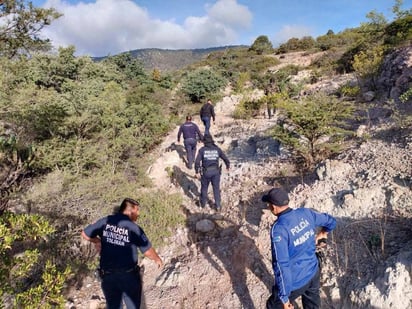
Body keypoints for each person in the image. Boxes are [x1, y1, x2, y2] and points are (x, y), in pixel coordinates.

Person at [81, 198, 163, 309]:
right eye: (137, 210)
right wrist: (157, 259)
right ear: (130, 211)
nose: (138, 214)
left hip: (108, 277)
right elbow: (147, 251)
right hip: (128, 277)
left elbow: (85, 234)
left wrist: (97, 241)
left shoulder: (105, 221)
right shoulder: (134, 228)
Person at [262, 187, 336, 309]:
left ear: (273, 207)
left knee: (273, 306)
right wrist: (323, 233)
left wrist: (285, 300)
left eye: (268, 204)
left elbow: (281, 265)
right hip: (313, 271)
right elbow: (331, 221)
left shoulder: (279, 229)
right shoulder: (305, 213)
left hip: (295, 281)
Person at [194, 134, 230, 211]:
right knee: (216, 189)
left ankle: (202, 204)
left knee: (204, 188)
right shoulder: (217, 149)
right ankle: (218, 206)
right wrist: (228, 165)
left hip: (206, 172)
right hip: (216, 172)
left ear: (204, 141)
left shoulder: (202, 150)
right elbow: (225, 158)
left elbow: (197, 162)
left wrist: (196, 172)